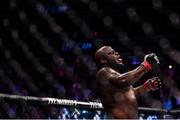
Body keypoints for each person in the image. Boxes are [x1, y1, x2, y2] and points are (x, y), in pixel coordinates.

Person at [95, 46, 161, 119]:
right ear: (103, 60)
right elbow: (123, 80)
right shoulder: (103, 72)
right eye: (112, 53)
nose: (117, 54)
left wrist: (146, 87)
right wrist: (146, 65)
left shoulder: (116, 77)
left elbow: (130, 95)